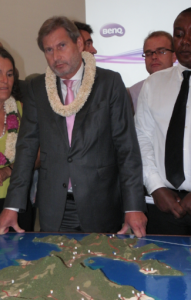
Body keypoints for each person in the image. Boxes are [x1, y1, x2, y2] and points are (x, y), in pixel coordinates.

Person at [0, 16, 147, 236]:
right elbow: (27, 149)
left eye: (61, 46)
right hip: (54, 208)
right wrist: (12, 206)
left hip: (102, 204)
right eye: (48, 50)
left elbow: (127, 149)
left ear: (79, 44)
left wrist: (134, 206)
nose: (55, 56)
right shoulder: (37, 88)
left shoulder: (110, 83)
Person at [135, 7, 191, 235]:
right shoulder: (154, 84)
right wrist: (156, 187)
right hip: (164, 205)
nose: (185, 41)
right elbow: (143, 138)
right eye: (179, 34)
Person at [0, 47, 35, 231]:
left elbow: (37, 155)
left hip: (15, 203)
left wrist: (7, 171)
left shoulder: (21, 110)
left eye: (10, 74)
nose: (5, 81)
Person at [129, 31, 176, 112]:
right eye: (148, 53)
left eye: (161, 51)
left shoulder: (186, 86)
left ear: (174, 56)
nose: (154, 57)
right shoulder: (133, 93)